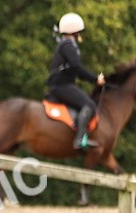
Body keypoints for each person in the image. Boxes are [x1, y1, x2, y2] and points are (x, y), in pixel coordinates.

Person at [46, 12, 105, 150]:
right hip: (61, 85)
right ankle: (79, 139)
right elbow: (77, 68)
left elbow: (75, 69)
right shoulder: (68, 46)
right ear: (75, 31)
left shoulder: (66, 44)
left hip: (61, 84)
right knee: (89, 104)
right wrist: (95, 79)